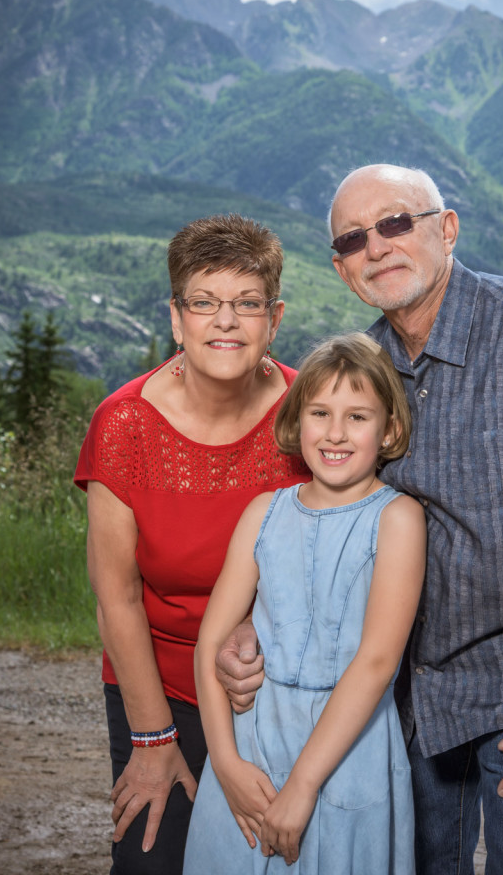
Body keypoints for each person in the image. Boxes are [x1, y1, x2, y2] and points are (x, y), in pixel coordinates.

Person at [217, 166, 503, 875]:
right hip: (406, 699)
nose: (378, 246)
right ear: (340, 268)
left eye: (397, 222)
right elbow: (321, 519)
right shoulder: (364, 373)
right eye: (355, 238)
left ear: (446, 229)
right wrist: (252, 620)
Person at [74, 214, 309, 875]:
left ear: (275, 318)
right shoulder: (123, 426)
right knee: (151, 859)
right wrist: (152, 740)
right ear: (177, 318)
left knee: (272, 858)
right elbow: (116, 598)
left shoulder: (309, 419)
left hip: (272, 688)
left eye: (247, 303)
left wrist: (257, 644)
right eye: (204, 302)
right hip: (160, 687)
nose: (225, 321)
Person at [183, 333, 427, 873]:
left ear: (389, 429)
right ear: (298, 421)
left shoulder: (398, 519)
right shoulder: (263, 513)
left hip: (346, 753)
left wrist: (304, 784)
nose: (335, 433)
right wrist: (223, 762)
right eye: (320, 412)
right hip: (252, 746)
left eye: (358, 417)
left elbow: (377, 661)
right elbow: (210, 644)